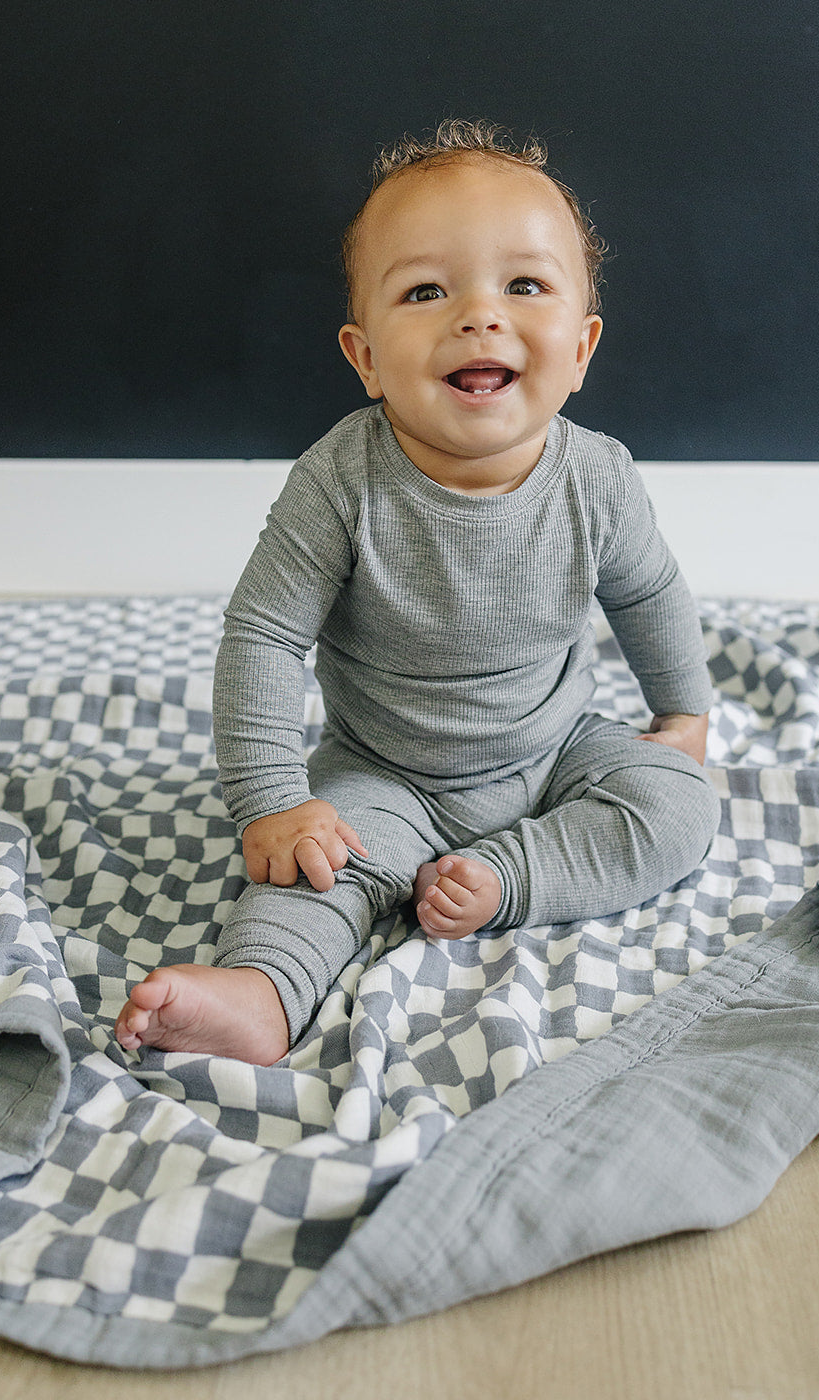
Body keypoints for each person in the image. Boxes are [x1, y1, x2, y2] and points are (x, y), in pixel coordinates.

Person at [115, 119, 721, 1065]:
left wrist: (681, 711)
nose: (478, 315)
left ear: (581, 347)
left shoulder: (596, 478)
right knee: (320, 865)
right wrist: (272, 799)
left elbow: (648, 593)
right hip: (386, 771)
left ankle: (508, 877)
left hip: (555, 751)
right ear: (363, 356)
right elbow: (263, 638)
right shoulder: (341, 481)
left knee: (681, 806)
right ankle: (262, 994)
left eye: (523, 285)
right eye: (426, 290)